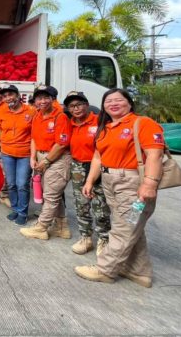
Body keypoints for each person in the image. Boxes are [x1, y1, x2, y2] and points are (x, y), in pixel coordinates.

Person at [74, 88, 165, 288]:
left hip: (132, 183)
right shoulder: (106, 127)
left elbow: (154, 155)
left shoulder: (143, 123)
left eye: (118, 100)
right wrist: (89, 181)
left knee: (125, 227)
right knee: (131, 226)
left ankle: (105, 270)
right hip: (109, 180)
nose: (113, 104)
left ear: (129, 103)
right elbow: (98, 157)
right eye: (109, 101)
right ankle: (139, 272)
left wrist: (149, 184)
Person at [20, 85, 73, 239]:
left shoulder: (60, 117)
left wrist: (47, 161)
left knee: (50, 196)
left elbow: (62, 143)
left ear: (52, 99)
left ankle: (41, 227)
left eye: (45, 98)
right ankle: (62, 227)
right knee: (52, 193)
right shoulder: (37, 115)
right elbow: (34, 139)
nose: (42, 101)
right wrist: (33, 157)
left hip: (57, 159)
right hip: (41, 157)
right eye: (39, 98)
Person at [64, 91, 110, 255]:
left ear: (86, 104)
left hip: (98, 166)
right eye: (71, 106)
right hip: (78, 166)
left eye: (79, 104)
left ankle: (104, 239)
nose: (75, 109)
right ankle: (86, 237)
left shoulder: (100, 121)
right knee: (81, 203)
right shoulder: (70, 123)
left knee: (100, 205)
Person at [0, 85, 34, 226]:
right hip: (7, 153)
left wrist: (35, 156)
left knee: (22, 184)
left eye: (11, 94)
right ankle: (15, 209)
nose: (8, 98)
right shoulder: (2, 111)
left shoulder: (31, 111)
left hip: (25, 154)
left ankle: (22, 212)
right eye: (5, 96)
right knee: (11, 184)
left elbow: (35, 135)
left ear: (18, 95)